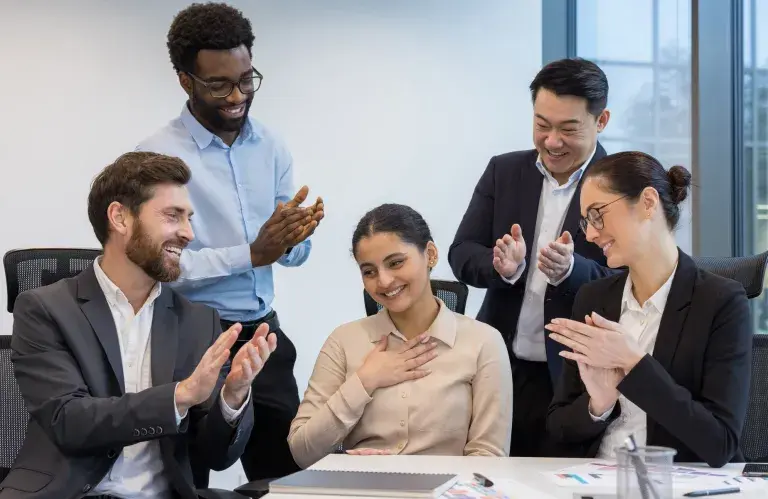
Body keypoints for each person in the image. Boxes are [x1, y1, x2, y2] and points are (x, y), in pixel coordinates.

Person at [0, 152, 275, 499]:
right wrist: (180, 396)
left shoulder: (198, 321)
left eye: (189, 218)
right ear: (119, 218)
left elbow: (217, 457)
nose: (188, 233)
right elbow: (69, 421)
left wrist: (232, 397)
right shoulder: (44, 309)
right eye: (173, 216)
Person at [136, 3, 323, 482]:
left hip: (262, 333)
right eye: (219, 84)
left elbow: (288, 253)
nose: (237, 95)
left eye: (246, 79)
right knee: (188, 477)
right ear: (185, 80)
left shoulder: (273, 146)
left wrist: (294, 240)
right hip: (190, 336)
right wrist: (252, 254)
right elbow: (160, 265)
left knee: (284, 477)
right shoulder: (155, 158)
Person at [448, 57, 618, 457]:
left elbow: (632, 278)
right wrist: (500, 265)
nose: (552, 141)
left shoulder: (621, 183)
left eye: (568, 128)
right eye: (542, 124)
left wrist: (574, 271)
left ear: (602, 120)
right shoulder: (504, 171)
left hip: (578, 378)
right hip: (500, 366)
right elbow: (461, 253)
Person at [545, 152, 752, 467]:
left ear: (648, 202)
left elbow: (720, 443)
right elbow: (558, 426)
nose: (590, 234)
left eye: (597, 214)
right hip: (596, 482)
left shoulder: (722, 302)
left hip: (673, 485)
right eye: (586, 221)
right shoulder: (594, 299)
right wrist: (599, 405)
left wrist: (634, 361)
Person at [287, 204, 513, 469]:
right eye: (369, 271)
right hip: (362, 490)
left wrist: (410, 474)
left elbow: (489, 458)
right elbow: (302, 452)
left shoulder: (483, 342)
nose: (383, 281)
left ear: (430, 254)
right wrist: (364, 382)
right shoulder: (344, 341)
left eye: (396, 263)